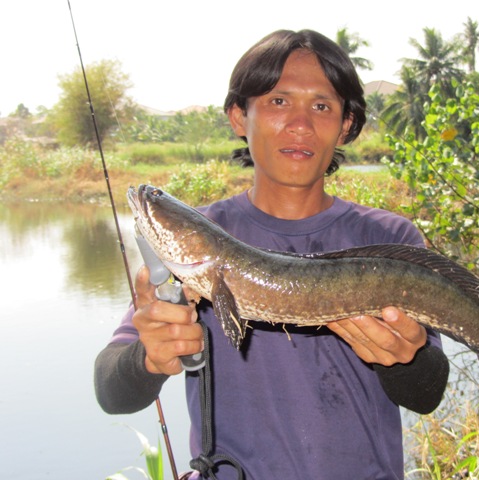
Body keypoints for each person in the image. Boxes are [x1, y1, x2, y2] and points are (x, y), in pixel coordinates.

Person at [95, 29, 449, 480]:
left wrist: (405, 358)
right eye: (279, 102)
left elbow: (427, 393)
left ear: (345, 124)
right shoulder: (188, 253)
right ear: (239, 116)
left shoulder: (390, 239)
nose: (301, 124)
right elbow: (111, 391)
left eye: (321, 106)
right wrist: (146, 356)